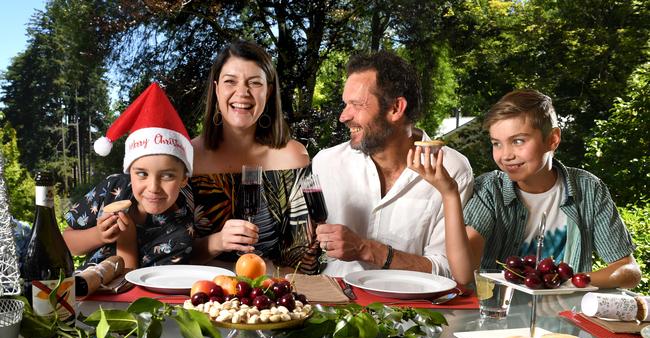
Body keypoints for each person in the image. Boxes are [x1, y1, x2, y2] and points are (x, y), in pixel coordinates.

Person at [410, 89, 641, 288]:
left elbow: (629, 270)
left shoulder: (588, 189)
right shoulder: (491, 190)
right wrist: (449, 193)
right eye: (496, 144)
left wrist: (570, 282)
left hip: (564, 321)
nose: (506, 155)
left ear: (552, 140)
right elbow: (462, 273)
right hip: (498, 315)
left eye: (518, 141)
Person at [312, 50, 474, 277]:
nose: (343, 116)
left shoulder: (452, 170)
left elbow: (449, 271)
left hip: (412, 310)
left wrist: (366, 249)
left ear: (396, 108)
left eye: (356, 105)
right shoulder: (326, 163)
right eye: (345, 104)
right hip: (333, 305)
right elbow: (304, 252)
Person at [190, 40, 317, 274]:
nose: (242, 93)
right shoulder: (188, 156)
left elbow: (304, 260)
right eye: (230, 81)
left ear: (268, 92)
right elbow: (169, 254)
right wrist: (217, 242)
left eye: (254, 83)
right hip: (196, 291)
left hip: (270, 294)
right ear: (216, 89)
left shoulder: (294, 157)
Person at [63, 83, 195, 269]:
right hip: (82, 291)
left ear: (184, 178)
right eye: (142, 173)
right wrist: (98, 235)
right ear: (129, 171)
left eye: (167, 176)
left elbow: (135, 290)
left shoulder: (180, 233)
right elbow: (66, 243)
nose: (153, 187)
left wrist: (126, 238)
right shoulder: (113, 187)